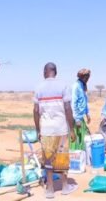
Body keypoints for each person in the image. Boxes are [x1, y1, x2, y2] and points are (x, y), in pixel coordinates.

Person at [33, 63, 78, 198]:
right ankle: (65, 187)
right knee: (62, 157)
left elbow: (35, 111)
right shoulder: (63, 85)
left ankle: (50, 189)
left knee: (48, 159)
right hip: (61, 128)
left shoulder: (38, 87)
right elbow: (68, 108)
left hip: (46, 130)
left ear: (44, 72)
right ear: (55, 72)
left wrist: (38, 130)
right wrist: (72, 129)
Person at [70, 69, 91, 152]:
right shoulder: (76, 86)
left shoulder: (82, 86)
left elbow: (84, 101)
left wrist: (87, 113)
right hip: (76, 118)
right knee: (76, 138)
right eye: (87, 77)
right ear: (82, 77)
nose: (88, 79)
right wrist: (77, 119)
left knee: (83, 136)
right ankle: (75, 157)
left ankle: (81, 156)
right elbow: (73, 103)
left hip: (81, 116)